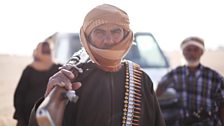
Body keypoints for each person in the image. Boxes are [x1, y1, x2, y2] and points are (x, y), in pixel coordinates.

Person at [28, 4, 166, 126]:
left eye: (116, 31)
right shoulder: (72, 80)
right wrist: (49, 97)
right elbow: (44, 120)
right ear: (87, 37)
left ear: (126, 35)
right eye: (99, 32)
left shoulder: (141, 79)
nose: (108, 40)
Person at [156, 36, 224, 126]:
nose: (192, 53)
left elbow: (222, 106)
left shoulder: (215, 78)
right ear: (183, 52)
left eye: (196, 49)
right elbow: (157, 92)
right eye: (188, 49)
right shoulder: (175, 74)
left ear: (202, 52)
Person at [13, 41, 62, 126]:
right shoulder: (29, 70)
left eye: (47, 50)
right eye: (44, 50)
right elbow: (19, 95)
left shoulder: (58, 68)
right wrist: (20, 118)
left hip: (49, 116)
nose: (46, 52)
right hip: (27, 116)